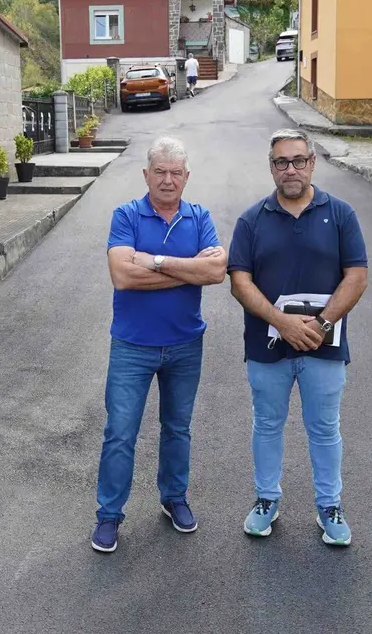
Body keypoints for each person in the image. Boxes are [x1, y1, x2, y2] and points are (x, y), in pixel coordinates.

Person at [227, 129, 368, 547]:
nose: (290, 169)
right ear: (271, 167)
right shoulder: (251, 220)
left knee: (324, 429)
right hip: (266, 348)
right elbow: (239, 281)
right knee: (267, 425)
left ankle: (329, 506)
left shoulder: (340, 214)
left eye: (298, 160)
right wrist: (282, 323)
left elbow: (356, 276)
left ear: (312, 162)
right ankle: (266, 500)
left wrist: (321, 326)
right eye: (280, 162)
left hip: (325, 349)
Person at [92, 136, 228, 553]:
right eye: (160, 172)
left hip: (185, 345)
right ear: (146, 175)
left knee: (177, 429)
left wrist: (153, 260)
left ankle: (174, 499)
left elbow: (217, 272)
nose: (167, 180)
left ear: (186, 177)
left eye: (175, 173)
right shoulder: (126, 215)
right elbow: (123, 277)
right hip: (133, 346)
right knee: (120, 432)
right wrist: (190, 270)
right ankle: (109, 516)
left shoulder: (199, 216)